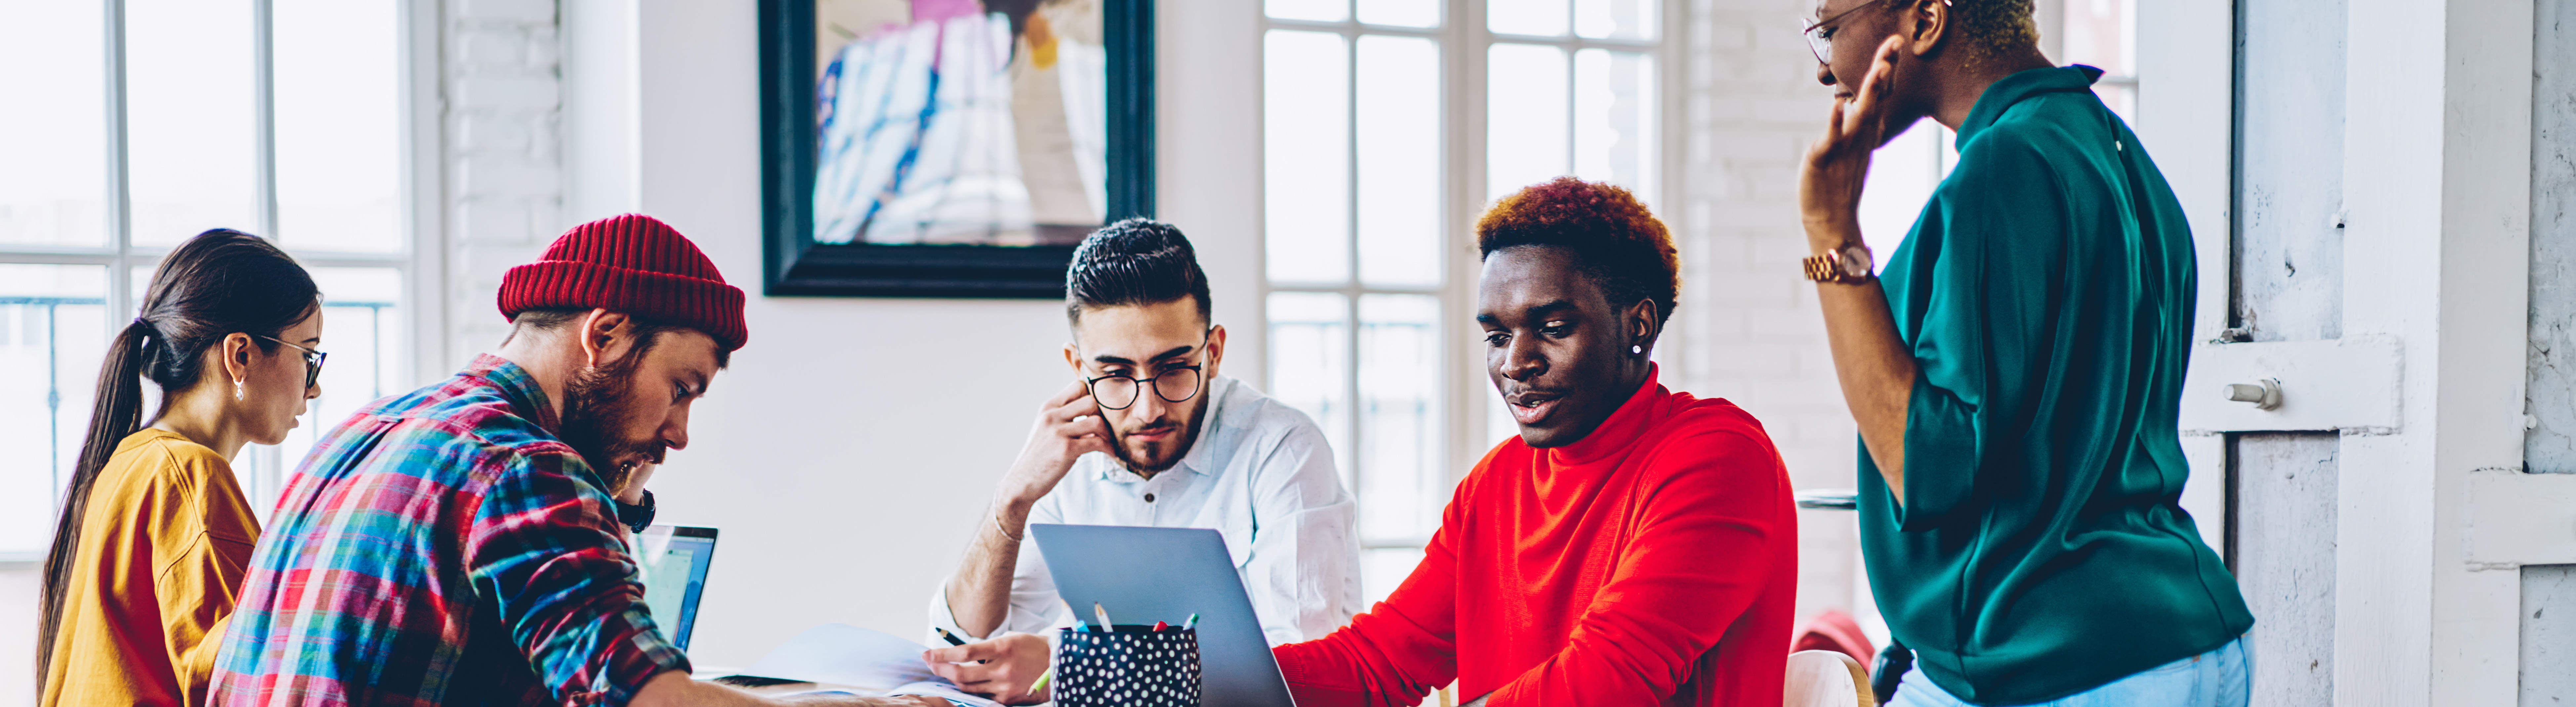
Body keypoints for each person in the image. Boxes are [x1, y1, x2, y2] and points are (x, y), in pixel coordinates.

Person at [202, 215, 941, 707]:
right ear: (607, 334)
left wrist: (616, 494)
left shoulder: (361, 433)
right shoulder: (520, 466)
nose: (680, 432)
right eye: (681, 389)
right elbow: (642, 697)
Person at [1795, 1, 2255, 705]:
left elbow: (1927, 469)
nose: (1825, 68)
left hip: (2053, 659)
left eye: (1830, 30)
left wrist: (1830, 230)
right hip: (2185, 637)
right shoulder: (2111, 147)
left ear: (1924, 21)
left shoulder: (2003, 168)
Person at [1267, 178, 1798, 706]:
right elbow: (1377, 663)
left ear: (1639, 325)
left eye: (1553, 328)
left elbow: (1607, 682)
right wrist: (1202, 667)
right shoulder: (1495, 482)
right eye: (1497, 337)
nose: (1515, 363)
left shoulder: (1718, 455)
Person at [919, 219, 1361, 703]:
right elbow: (961, 651)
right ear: (1078, 369)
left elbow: (1293, 676)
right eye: (1115, 374)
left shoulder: (1284, 448)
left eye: (1172, 369)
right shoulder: (1067, 456)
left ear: (1213, 353)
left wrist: (1073, 667)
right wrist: (1012, 500)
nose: (1147, 408)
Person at [36, 230, 322, 706]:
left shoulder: (130, 460)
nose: (314, 389)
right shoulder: (189, 475)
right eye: (309, 356)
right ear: (241, 355)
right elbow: (243, 677)